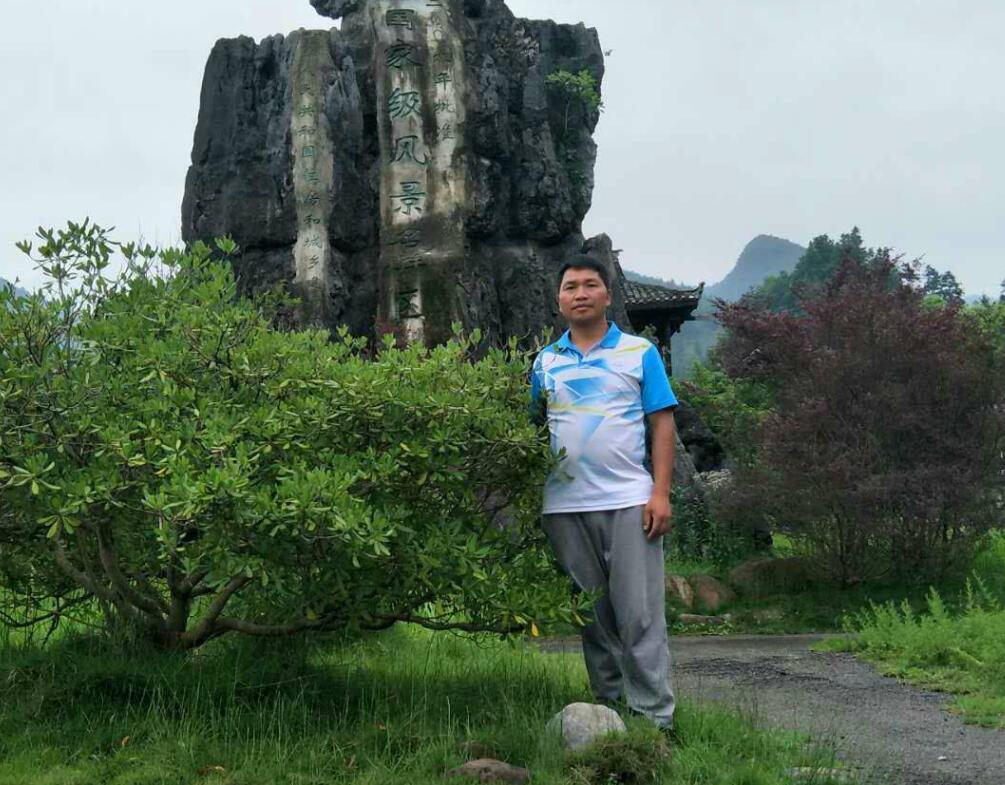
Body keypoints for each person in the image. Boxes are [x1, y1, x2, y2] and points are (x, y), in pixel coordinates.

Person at [531, 255, 677, 729]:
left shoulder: (639, 352)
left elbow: (662, 424)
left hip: (629, 501)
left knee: (639, 615)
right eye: (570, 286)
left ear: (608, 295)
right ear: (559, 299)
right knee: (591, 616)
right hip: (564, 506)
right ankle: (609, 712)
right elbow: (532, 430)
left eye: (590, 284)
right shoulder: (545, 361)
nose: (580, 294)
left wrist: (660, 493)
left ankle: (654, 720)